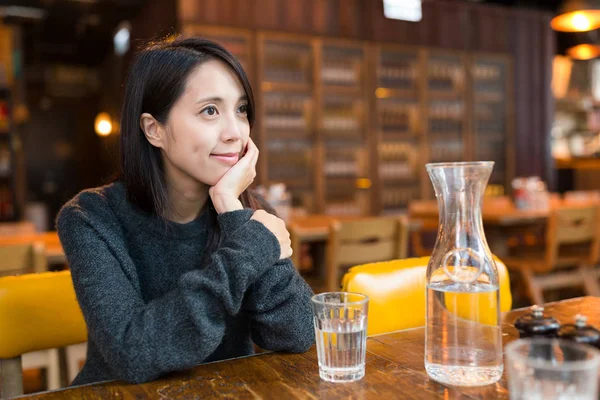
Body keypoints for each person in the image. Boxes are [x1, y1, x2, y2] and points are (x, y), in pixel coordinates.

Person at [56, 36, 315, 386]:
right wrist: (248, 248)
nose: (235, 133)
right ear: (154, 129)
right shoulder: (91, 217)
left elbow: (298, 334)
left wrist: (231, 210)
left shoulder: (249, 214)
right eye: (210, 110)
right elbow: (134, 354)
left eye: (241, 110)